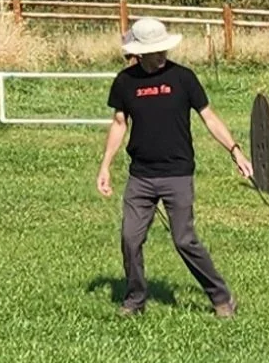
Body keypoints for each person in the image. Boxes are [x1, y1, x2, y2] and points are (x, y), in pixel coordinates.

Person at [96, 18, 251, 316]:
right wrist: (105, 166)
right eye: (154, 51)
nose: (161, 55)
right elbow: (118, 124)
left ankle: (221, 298)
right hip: (140, 176)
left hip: (177, 174)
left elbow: (210, 118)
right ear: (139, 53)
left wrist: (235, 151)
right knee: (130, 238)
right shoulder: (125, 82)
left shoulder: (183, 78)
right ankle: (135, 300)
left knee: (184, 239)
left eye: (162, 49)